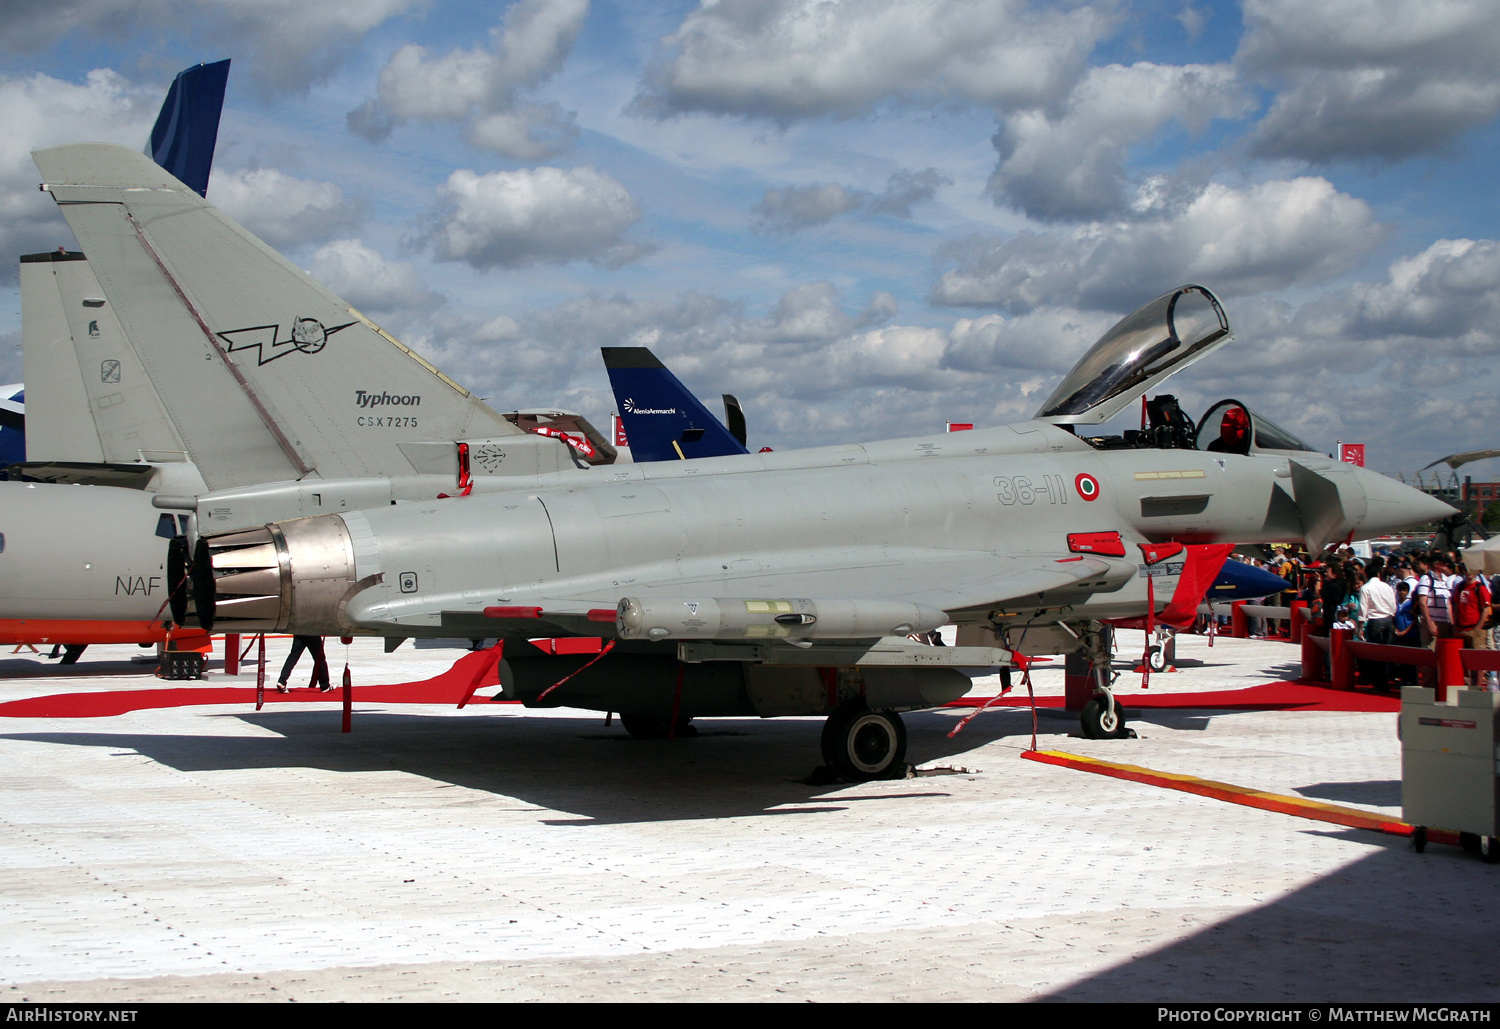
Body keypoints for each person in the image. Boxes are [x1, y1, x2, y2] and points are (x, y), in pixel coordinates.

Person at [1448, 564, 1493, 690]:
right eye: (1466, 571)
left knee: (1478, 661)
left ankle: (1477, 687)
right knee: (1463, 660)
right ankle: (1467, 685)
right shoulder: (1460, 586)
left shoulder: (1480, 588)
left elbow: (1485, 609)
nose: (1468, 574)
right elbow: (1456, 606)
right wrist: (1455, 624)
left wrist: (1478, 628)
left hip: (1475, 629)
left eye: (1471, 571)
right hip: (1461, 628)